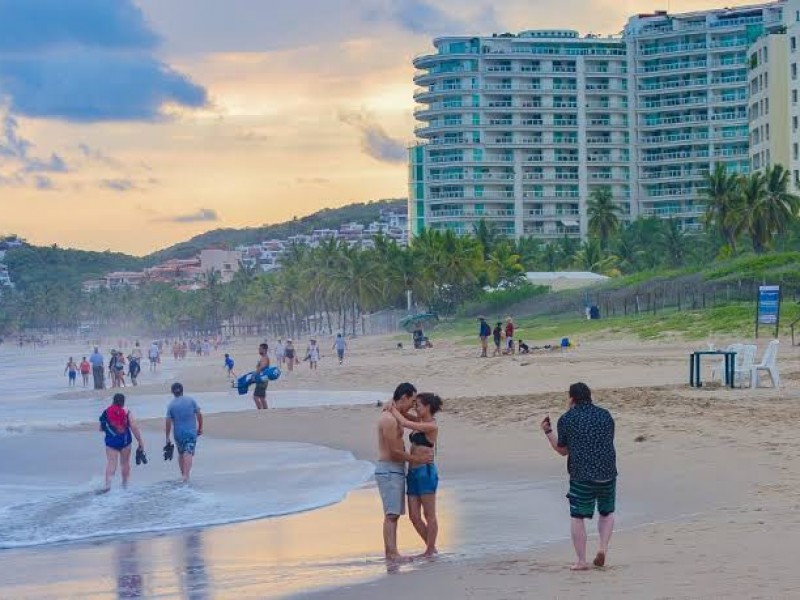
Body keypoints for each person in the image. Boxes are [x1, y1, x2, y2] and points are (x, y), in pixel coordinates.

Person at [541, 382, 617, 571]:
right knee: (606, 512)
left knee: (577, 516)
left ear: (571, 398)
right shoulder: (605, 415)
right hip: (608, 471)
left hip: (581, 474)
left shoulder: (567, 419)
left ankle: (582, 561)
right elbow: (607, 440)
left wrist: (548, 432)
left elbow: (562, 450)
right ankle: (602, 548)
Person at [376, 383, 434, 562]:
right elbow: (394, 452)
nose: (413, 405)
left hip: (396, 470)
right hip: (389, 469)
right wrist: (419, 460)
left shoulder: (395, 415)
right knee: (392, 515)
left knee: (393, 514)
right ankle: (392, 553)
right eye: (412, 400)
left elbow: (411, 421)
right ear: (403, 398)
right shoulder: (389, 419)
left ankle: (427, 549)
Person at [389, 392, 443, 557]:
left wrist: (391, 409)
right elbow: (404, 415)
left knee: (429, 514)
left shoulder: (431, 426)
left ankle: (429, 550)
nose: (415, 408)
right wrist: (394, 404)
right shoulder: (419, 420)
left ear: (427, 407)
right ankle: (431, 548)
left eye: (418, 405)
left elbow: (404, 421)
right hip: (412, 472)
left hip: (425, 472)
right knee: (414, 515)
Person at [99, 393, 144, 491]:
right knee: (125, 463)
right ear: (123, 402)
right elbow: (134, 427)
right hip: (125, 441)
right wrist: (140, 440)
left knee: (111, 464)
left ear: (113, 401)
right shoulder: (127, 412)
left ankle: (107, 486)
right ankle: (125, 485)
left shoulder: (106, 412)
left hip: (111, 442)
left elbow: (101, 428)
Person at [165, 382, 203, 483]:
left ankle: (183, 475)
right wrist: (200, 428)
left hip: (178, 433)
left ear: (173, 392)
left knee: (181, 453)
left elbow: (168, 422)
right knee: (188, 452)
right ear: (182, 390)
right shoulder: (191, 401)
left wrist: (167, 437)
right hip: (191, 432)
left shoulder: (171, 405)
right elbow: (199, 414)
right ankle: (186, 476)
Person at [253, 343, 269, 410]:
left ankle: (260, 410)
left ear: (264, 350)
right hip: (263, 379)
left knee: (255, 396)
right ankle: (265, 410)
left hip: (262, 380)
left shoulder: (265, 358)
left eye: (260, 349)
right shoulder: (263, 358)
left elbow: (262, 367)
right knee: (262, 397)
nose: (259, 350)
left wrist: (255, 374)